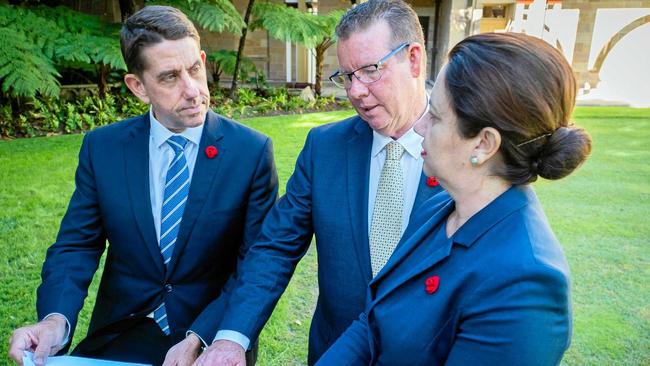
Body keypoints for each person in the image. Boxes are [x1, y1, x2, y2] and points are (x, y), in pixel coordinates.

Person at [7, 5, 277, 366]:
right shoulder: (103, 149)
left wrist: (204, 337)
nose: (192, 90)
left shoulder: (251, 152)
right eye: (169, 78)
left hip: (207, 340)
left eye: (194, 70)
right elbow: (77, 245)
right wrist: (56, 319)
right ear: (138, 86)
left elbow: (256, 264)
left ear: (201, 58)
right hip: (120, 334)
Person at [316, 32, 592, 365]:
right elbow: (373, 321)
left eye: (435, 116)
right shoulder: (440, 207)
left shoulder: (524, 285)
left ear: (483, 145)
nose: (419, 128)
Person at [194, 0, 443, 365]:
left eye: (371, 70)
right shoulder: (324, 147)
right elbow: (275, 248)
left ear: (415, 60)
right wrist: (232, 339)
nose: (355, 92)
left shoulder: (467, 148)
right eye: (346, 76)